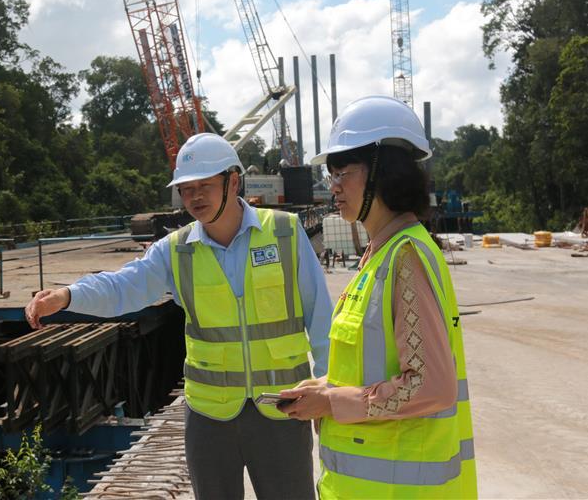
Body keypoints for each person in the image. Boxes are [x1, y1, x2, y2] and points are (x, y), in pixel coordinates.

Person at [26, 132, 333, 499]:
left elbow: (321, 317)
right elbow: (124, 286)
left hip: (281, 407)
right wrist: (68, 295)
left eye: (205, 185)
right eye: (186, 189)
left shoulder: (283, 232)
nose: (195, 197)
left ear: (232, 181)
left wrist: (329, 387)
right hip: (209, 418)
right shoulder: (176, 251)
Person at [277, 96, 477, 499]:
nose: (331, 187)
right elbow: (375, 366)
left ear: (382, 174)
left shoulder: (406, 257)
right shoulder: (379, 256)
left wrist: (333, 402)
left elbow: (430, 386)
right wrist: (325, 387)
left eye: (341, 173)